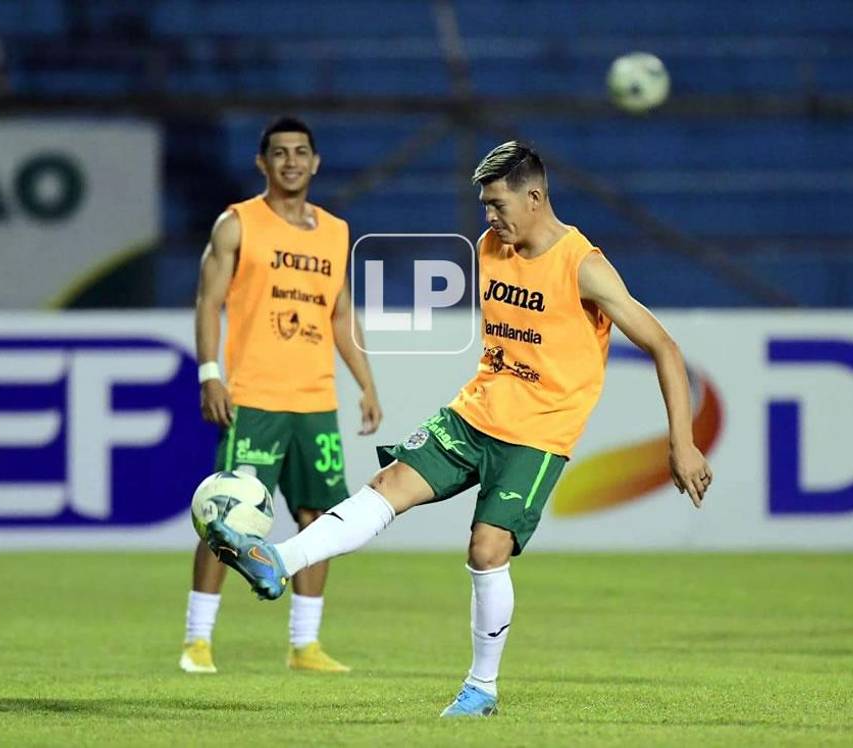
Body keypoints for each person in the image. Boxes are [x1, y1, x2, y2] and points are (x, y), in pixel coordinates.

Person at [206, 141, 712, 716]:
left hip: (538, 436)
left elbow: (663, 347)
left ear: (536, 197)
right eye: (484, 206)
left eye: (497, 204)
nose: (489, 218)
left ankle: (482, 689)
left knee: (487, 547)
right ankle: (279, 561)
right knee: (389, 486)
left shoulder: (585, 266)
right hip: (473, 414)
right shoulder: (489, 246)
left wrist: (683, 442)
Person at [180, 116, 383, 674]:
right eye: (279, 153)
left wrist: (366, 383)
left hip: (315, 401)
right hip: (255, 397)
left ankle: (304, 645)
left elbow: (341, 314)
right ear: (261, 164)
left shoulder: (337, 233)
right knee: (229, 517)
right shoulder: (237, 223)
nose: (291, 161)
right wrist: (209, 373)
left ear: (315, 163)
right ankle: (198, 640)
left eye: (300, 152)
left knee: (320, 517)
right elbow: (207, 300)